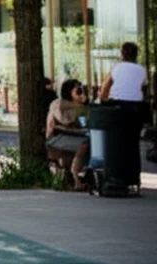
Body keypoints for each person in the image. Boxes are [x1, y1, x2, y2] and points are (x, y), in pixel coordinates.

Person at [100, 41, 148, 185]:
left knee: (117, 142)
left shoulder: (118, 67)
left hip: (118, 107)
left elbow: (106, 86)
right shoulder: (142, 69)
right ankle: (133, 178)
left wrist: (103, 99)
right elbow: (142, 87)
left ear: (123, 54)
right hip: (135, 108)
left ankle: (116, 176)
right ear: (136, 54)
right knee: (133, 142)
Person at [46, 79, 90, 190]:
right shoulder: (59, 105)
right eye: (78, 91)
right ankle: (76, 177)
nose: (82, 94)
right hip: (59, 139)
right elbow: (57, 123)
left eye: (83, 90)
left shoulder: (85, 108)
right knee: (84, 145)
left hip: (73, 137)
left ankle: (75, 176)